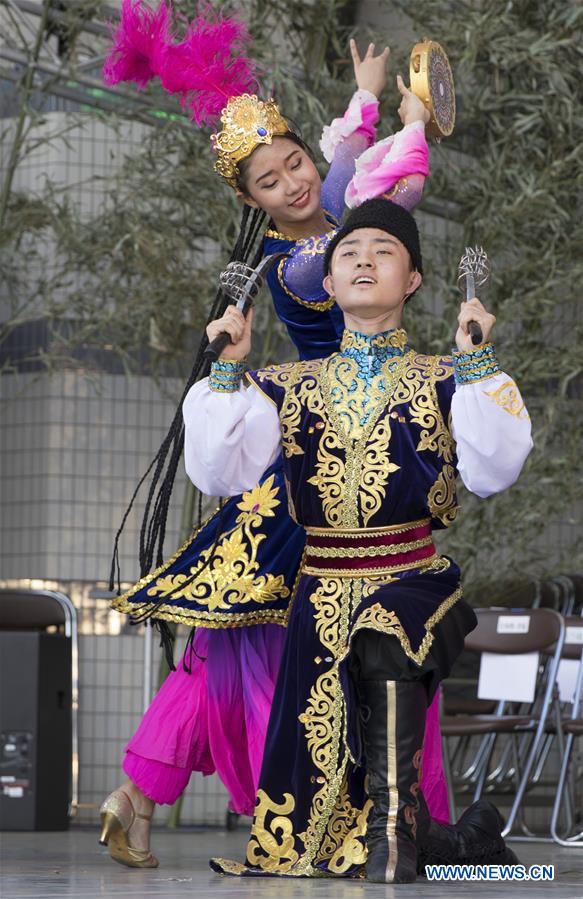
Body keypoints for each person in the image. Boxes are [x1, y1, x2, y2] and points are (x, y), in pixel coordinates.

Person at [99, 1, 441, 869]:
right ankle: (352, 817)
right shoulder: (304, 262)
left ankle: (138, 793)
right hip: (322, 470)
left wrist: (367, 113)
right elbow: (364, 193)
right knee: (332, 635)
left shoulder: (330, 233)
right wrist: (389, 118)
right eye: (269, 182)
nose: (291, 183)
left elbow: (353, 188)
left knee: (224, 645)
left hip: (327, 455)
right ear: (250, 203)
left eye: (293, 164)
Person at [182, 197, 533, 882]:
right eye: (348, 253)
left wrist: (476, 358)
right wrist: (225, 364)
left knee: (383, 637)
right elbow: (214, 469)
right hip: (317, 590)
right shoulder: (282, 384)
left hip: (413, 578)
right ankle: (454, 844)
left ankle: (397, 838)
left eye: (383, 251)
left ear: (412, 282)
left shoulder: (443, 376)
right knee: (315, 751)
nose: (363, 260)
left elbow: (496, 467)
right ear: (329, 282)